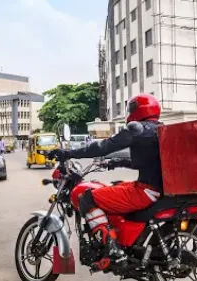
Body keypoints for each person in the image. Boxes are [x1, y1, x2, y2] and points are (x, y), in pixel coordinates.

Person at [48, 93, 162, 273]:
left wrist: (69, 153)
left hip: (146, 191)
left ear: (136, 110)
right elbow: (151, 161)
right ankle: (121, 239)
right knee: (115, 185)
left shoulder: (137, 128)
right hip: (155, 188)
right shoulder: (158, 129)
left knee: (87, 198)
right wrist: (118, 162)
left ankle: (113, 250)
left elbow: (104, 146)